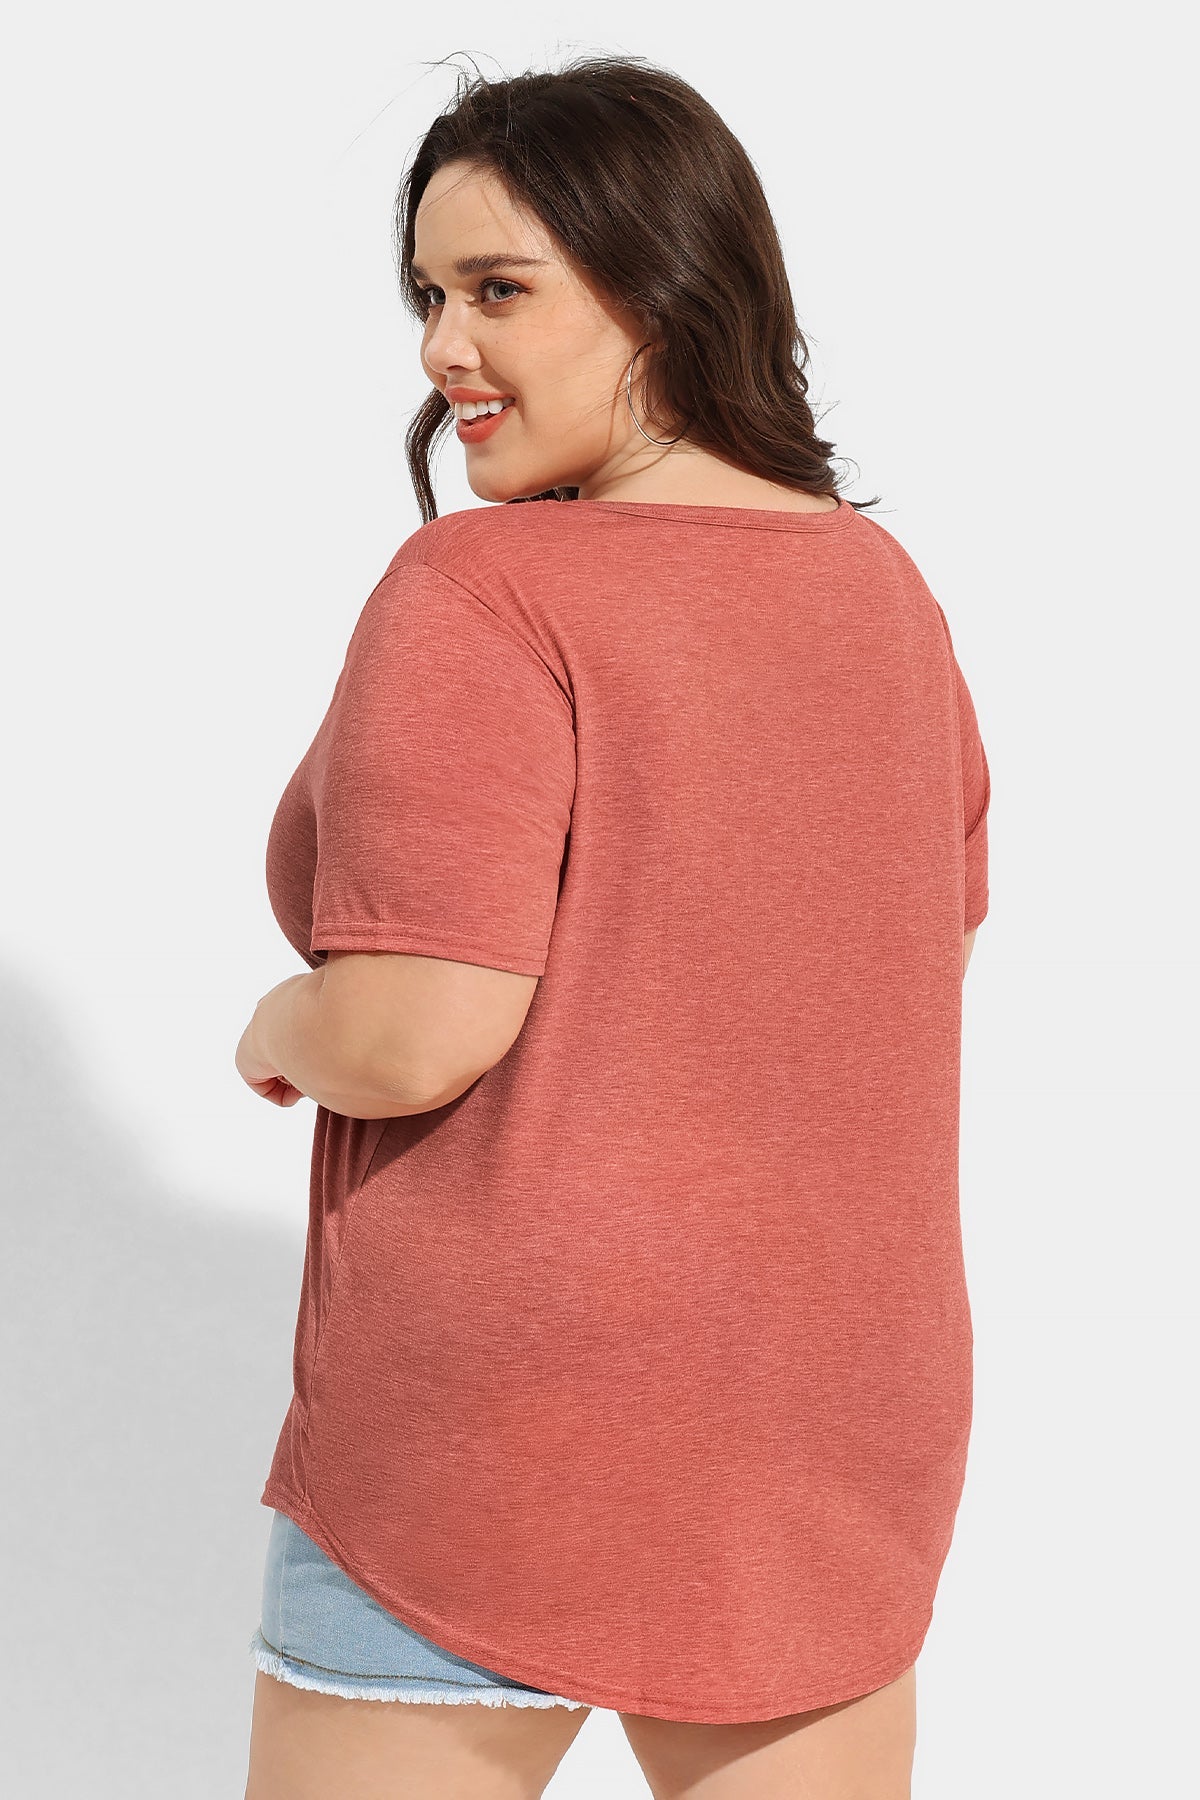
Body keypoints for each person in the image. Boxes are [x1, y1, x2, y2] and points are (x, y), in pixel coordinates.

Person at [240, 51, 991, 1800]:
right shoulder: (885, 597)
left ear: (663, 284)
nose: (443, 346)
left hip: (505, 1436)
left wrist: (279, 1027)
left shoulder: (484, 588)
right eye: (429, 295)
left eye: (500, 289)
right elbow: (904, 974)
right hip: (830, 1417)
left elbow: (414, 1031)